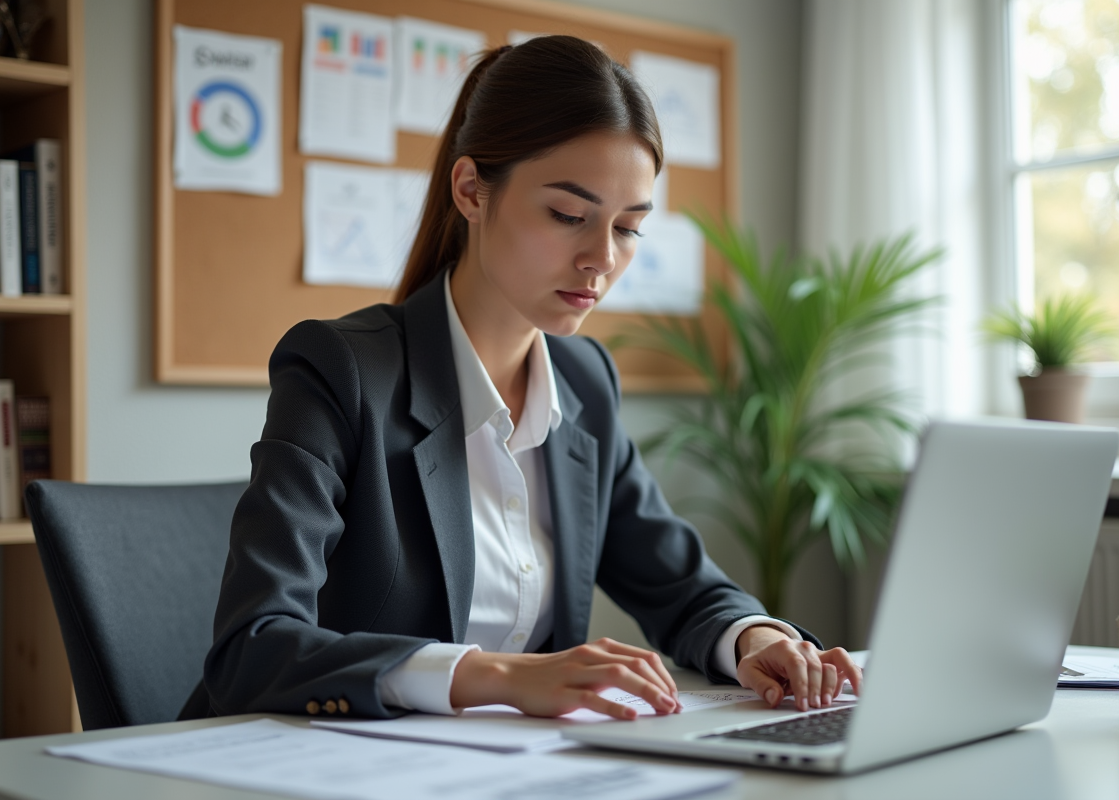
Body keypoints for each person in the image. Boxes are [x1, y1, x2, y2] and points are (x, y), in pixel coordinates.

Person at [200, 35, 861, 723]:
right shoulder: (341, 371)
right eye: (569, 216)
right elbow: (252, 647)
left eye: (628, 228)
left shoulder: (584, 384)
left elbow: (680, 584)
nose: (601, 258)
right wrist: (493, 676)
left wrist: (755, 639)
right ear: (470, 191)